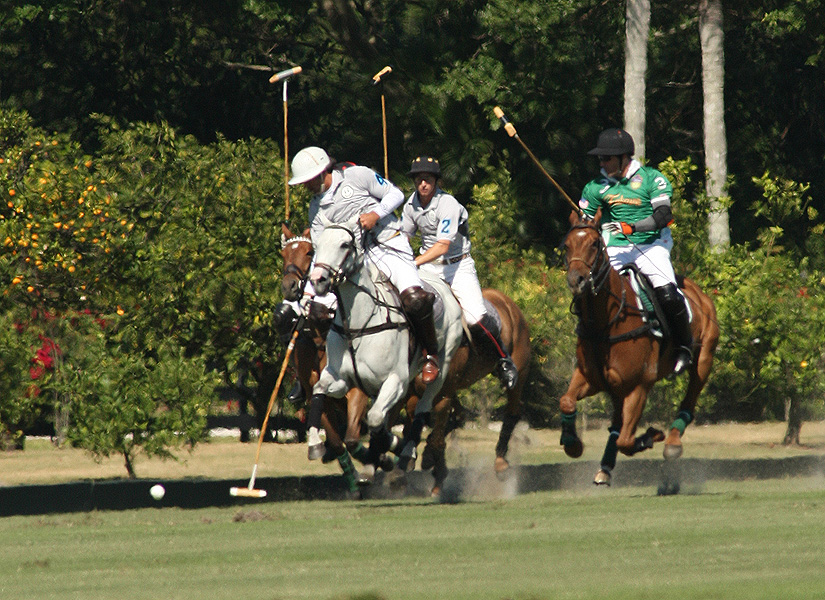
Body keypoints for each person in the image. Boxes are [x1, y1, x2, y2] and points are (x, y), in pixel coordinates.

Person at [288, 146, 443, 458]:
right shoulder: (316, 210)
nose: (306, 185)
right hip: (349, 262)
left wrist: (376, 214)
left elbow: (396, 195)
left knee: (414, 298)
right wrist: (309, 294)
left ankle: (429, 356)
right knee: (319, 310)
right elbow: (321, 251)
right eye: (302, 182)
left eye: (308, 179)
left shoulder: (357, 176)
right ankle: (331, 371)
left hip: (388, 246)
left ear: (323, 171)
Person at [578, 128, 693, 374]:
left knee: (668, 294)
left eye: (606, 158)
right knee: (591, 291)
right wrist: (582, 221)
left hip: (651, 245)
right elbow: (585, 223)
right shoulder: (596, 187)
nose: (602, 162)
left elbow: (664, 216)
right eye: (600, 158)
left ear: (624, 157)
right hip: (615, 248)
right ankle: (592, 346)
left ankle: (684, 347)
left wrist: (630, 227)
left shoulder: (652, 178)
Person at [401, 155, 518, 390]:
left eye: (428, 179)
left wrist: (415, 261)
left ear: (436, 181)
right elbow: (404, 237)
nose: (423, 184)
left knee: (475, 317)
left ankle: (503, 359)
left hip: (457, 266)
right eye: (419, 179)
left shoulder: (448, 204)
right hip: (428, 267)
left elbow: (443, 245)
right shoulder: (410, 205)